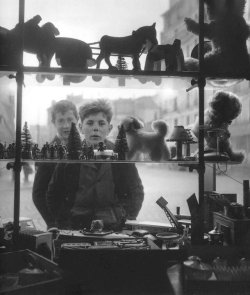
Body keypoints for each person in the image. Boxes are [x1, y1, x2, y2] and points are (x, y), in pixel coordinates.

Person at [46, 99, 144, 230]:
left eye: (101, 123)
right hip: (76, 226)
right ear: (80, 127)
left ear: (109, 129)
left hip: (113, 226)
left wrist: (127, 220)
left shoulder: (120, 155)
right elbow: (53, 194)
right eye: (90, 123)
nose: (95, 128)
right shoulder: (70, 156)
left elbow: (136, 191)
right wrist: (64, 223)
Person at [32, 100, 79, 228]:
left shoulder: (85, 148)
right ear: (54, 123)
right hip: (60, 224)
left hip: (84, 220)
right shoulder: (48, 152)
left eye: (70, 120)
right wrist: (53, 222)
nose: (66, 125)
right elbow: (38, 194)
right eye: (61, 121)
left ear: (77, 119)